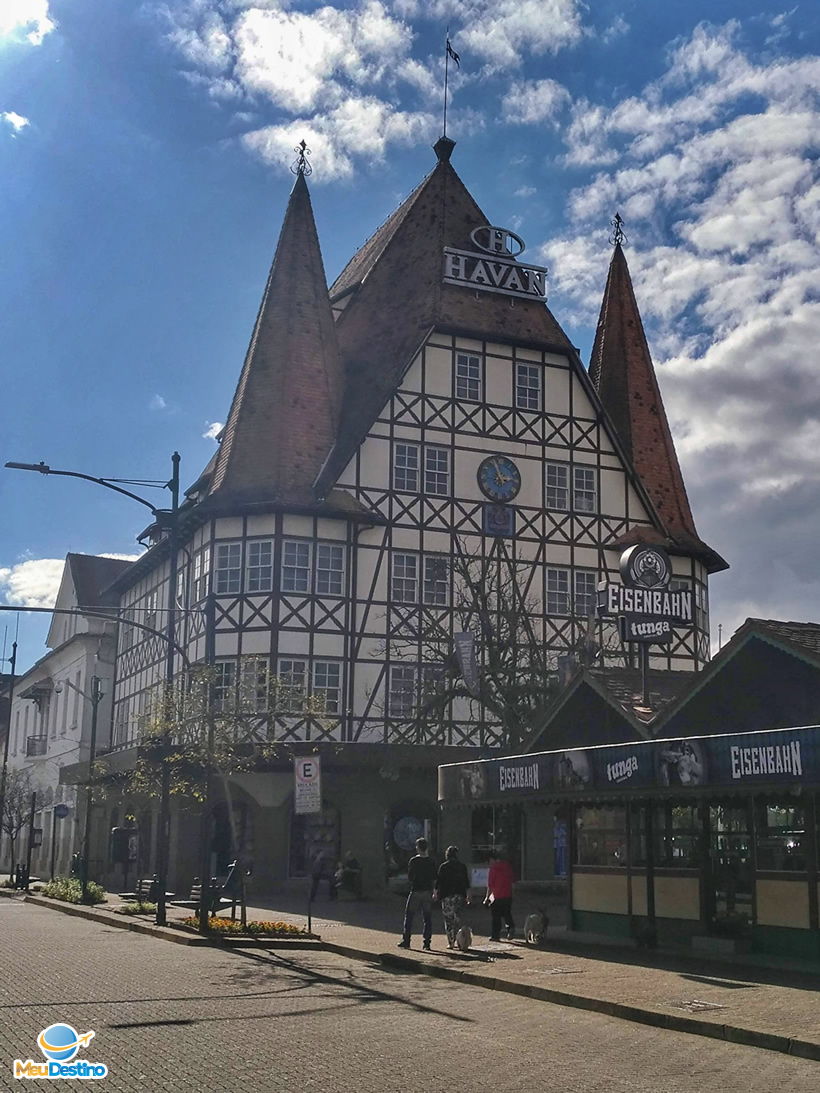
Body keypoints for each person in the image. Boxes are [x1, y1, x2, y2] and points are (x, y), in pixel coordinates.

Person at [398, 837, 436, 951]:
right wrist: (434, 890)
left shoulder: (413, 861)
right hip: (427, 891)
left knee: (409, 916)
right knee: (427, 918)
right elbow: (434, 877)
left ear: (418, 848)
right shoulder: (431, 861)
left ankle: (406, 940)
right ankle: (427, 943)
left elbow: (410, 877)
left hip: (416, 890)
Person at [434, 845, 470, 949]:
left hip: (447, 896)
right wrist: (468, 895)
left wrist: (435, 893)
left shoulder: (443, 867)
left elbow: (438, 882)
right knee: (458, 918)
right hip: (459, 895)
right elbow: (466, 882)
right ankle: (461, 940)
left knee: (448, 920)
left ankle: (451, 942)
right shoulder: (462, 866)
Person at [484, 850, 515, 941]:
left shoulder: (493, 869)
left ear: (491, 859)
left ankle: (495, 935)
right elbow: (512, 882)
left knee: (496, 917)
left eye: (488, 861)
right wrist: (513, 893)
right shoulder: (507, 866)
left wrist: (487, 898)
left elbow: (490, 885)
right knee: (507, 914)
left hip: (497, 896)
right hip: (508, 895)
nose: (489, 864)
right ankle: (510, 927)